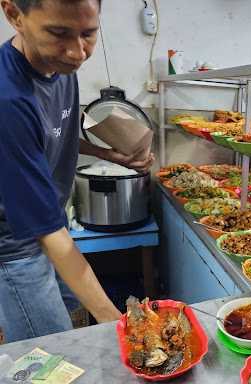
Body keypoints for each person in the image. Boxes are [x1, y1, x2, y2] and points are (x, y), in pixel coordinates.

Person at [0, 0, 154, 343]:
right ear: (14, 15)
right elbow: (44, 228)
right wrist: (110, 316)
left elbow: (53, 132)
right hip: (15, 247)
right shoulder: (8, 98)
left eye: (89, 33)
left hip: (53, 223)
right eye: (58, 33)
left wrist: (110, 154)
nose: (77, 52)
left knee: (71, 310)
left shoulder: (58, 67)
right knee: (52, 352)